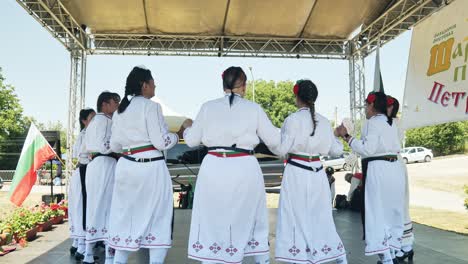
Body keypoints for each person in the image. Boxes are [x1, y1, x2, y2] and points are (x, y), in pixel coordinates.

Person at [183, 66, 280, 264]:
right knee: (252, 217)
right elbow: (273, 140)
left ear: (223, 85)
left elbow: (192, 140)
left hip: (214, 167)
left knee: (213, 218)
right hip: (244, 166)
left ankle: (212, 259)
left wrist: (186, 128)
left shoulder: (207, 107)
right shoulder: (254, 108)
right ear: (244, 86)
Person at [271, 79, 348, 264]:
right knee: (320, 216)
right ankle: (338, 257)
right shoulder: (323, 121)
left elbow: (281, 149)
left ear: (297, 97)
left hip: (297, 172)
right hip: (318, 174)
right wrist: (336, 136)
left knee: (294, 217)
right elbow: (336, 150)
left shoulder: (292, 120)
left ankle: (300, 257)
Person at [107, 66, 178, 264]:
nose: (155, 84)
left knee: (126, 218)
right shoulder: (151, 107)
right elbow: (161, 142)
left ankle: (118, 262)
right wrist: (176, 135)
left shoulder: (120, 111)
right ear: (144, 85)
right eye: (153, 81)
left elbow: (114, 145)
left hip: (126, 167)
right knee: (158, 217)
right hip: (150, 168)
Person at [338, 92, 405, 264]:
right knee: (393, 212)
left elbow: (368, 149)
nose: (365, 109)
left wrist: (347, 136)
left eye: (367, 105)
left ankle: (387, 259)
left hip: (380, 170)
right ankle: (393, 253)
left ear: (373, 106)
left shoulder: (373, 122)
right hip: (396, 169)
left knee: (376, 214)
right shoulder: (391, 122)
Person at [83, 91, 121, 264]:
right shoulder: (105, 120)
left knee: (94, 207)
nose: (117, 106)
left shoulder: (93, 123)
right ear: (104, 104)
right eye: (115, 102)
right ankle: (109, 256)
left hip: (94, 165)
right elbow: (108, 146)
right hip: (105, 163)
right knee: (108, 207)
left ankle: (88, 253)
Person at [387, 96, 414, 262]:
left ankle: (405, 246)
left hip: (395, 163)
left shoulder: (395, 123)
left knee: (400, 206)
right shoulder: (388, 122)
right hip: (391, 165)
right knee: (394, 207)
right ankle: (398, 247)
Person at [69, 108, 96, 260]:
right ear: (84, 121)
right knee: (84, 207)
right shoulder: (86, 134)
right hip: (84, 172)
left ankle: (79, 243)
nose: (95, 121)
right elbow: (83, 154)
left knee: (82, 207)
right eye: (92, 118)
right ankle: (83, 245)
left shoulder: (85, 133)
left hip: (83, 171)